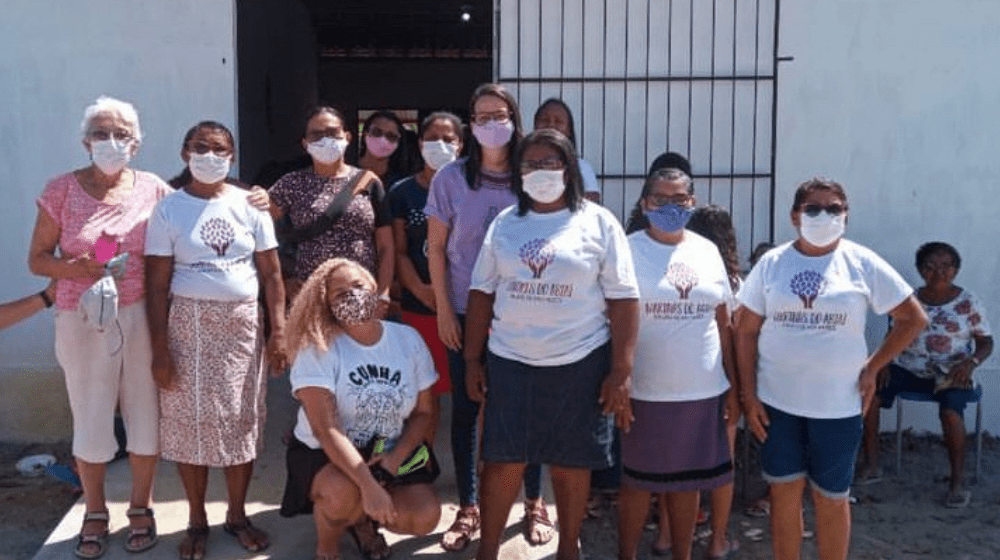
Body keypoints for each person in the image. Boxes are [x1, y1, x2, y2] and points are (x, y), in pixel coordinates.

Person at [464, 129, 640, 560]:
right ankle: (487, 550)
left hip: (579, 360)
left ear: (569, 169)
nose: (539, 172)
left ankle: (568, 550)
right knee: (504, 459)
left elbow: (624, 299)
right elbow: (481, 292)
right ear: (517, 173)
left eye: (549, 164)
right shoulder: (506, 224)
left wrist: (621, 371)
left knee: (570, 460)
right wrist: (472, 359)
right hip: (511, 359)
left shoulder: (598, 222)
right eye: (529, 164)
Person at [734, 178, 928, 560]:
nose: (824, 215)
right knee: (784, 493)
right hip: (778, 404)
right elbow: (745, 331)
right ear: (795, 216)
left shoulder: (861, 262)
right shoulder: (773, 264)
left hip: (838, 406)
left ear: (846, 215)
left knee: (831, 497)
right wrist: (749, 393)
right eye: (813, 208)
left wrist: (873, 367)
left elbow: (912, 318)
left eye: (834, 208)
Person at [28, 96, 171, 558]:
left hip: (141, 315)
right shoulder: (61, 191)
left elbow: (185, 224)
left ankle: (140, 507)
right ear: (85, 141)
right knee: (90, 415)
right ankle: (94, 510)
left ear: (137, 142)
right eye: (102, 133)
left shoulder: (153, 188)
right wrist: (79, 268)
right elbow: (36, 260)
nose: (112, 142)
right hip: (82, 316)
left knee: (145, 414)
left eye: (121, 134)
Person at [144, 121, 287, 560]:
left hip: (242, 327)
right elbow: (154, 286)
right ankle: (196, 521)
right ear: (185, 153)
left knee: (239, 422)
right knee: (190, 425)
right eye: (201, 147)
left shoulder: (250, 204)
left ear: (233, 154)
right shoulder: (169, 209)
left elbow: (272, 274)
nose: (210, 156)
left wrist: (278, 331)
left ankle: (238, 515)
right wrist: (160, 352)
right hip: (187, 327)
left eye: (220, 148)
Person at [423, 83, 542, 551]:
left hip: (523, 313)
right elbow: (436, 248)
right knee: (467, 411)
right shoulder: (450, 179)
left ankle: (533, 500)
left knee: (522, 410)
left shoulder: (533, 175)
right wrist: (442, 313)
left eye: (501, 114)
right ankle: (469, 506)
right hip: (461, 310)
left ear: (514, 118)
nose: (493, 124)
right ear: (470, 124)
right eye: (483, 116)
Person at [279, 258, 441, 560]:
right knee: (345, 495)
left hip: (385, 452)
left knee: (425, 515)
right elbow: (325, 429)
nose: (351, 295)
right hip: (324, 454)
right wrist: (369, 484)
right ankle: (328, 543)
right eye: (339, 293)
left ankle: (362, 521)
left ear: (375, 289)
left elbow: (424, 413)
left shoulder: (407, 339)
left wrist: (392, 463)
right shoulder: (317, 347)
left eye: (357, 286)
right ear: (326, 304)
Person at [617, 169, 738, 560]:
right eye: (660, 199)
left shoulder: (706, 251)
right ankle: (627, 554)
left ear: (693, 202)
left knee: (689, 484)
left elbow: (724, 323)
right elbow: (611, 319)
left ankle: (682, 554)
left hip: (701, 390)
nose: (670, 207)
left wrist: (735, 387)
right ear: (644, 203)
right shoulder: (626, 249)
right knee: (637, 483)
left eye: (679, 199)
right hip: (644, 391)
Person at [860, 242, 992, 508]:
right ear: (920, 270)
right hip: (909, 367)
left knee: (950, 412)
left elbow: (986, 342)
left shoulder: (968, 302)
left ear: (956, 269)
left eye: (946, 266)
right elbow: (892, 334)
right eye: (930, 266)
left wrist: (971, 363)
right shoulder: (909, 300)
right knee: (869, 394)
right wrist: (882, 363)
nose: (938, 272)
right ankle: (872, 466)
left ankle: (957, 482)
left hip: (952, 370)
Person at [387, 111, 463, 447]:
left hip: (466, 306)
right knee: (425, 394)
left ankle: (477, 476)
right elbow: (399, 251)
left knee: (474, 391)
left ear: (461, 146)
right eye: (432, 138)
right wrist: (421, 289)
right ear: (419, 144)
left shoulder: (473, 188)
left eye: (449, 139)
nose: (440, 145)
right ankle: (423, 467)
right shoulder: (402, 192)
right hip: (420, 306)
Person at [267, 106, 393, 307]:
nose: (325, 139)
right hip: (310, 298)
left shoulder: (368, 182)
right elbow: (257, 230)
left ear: (348, 137)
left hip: (360, 294)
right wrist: (284, 277)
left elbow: (386, 246)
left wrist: (383, 294)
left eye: (333, 132)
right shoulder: (291, 184)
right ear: (305, 143)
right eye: (316, 135)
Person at [533, 98, 601, 203]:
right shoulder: (525, 166)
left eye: (558, 121)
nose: (551, 125)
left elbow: (591, 207)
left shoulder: (582, 168)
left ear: (569, 130)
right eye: (544, 120)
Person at [357, 110, 414, 189]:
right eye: (376, 132)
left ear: (398, 143)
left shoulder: (402, 184)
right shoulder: (348, 172)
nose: (382, 139)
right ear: (365, 134)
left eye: (391, 136)